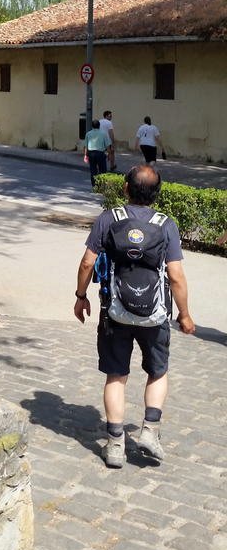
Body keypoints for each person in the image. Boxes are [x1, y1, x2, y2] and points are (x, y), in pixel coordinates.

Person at [73, 164, 195, 468]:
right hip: (154, 314)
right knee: (158, 371)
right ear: (157, 193)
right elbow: (176, 276)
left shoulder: (108, 219)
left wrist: (80, 297)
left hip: (115, 313)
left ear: (126, 188)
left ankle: (115, 445)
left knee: (116, 375)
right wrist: (185, 314)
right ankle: (150, 431)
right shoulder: (166, 224)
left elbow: (87, 263)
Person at [83, 119, 111, 188]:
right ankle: (102, 185)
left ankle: (94, 185)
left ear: (92, 126)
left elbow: (86, 146)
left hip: (91, 153)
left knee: (93, 170)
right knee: (103, 170)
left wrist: (85, 155)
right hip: (100, 153)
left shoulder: (88, 134)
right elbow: (107, 146)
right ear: (99, 126)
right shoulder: (103, 133)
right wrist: (109, 154)